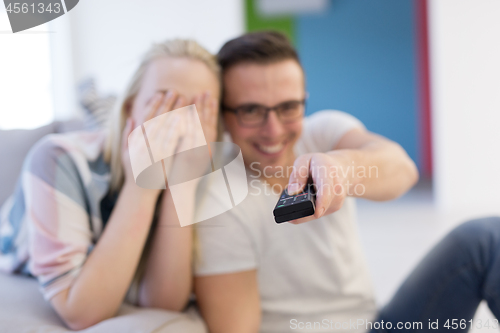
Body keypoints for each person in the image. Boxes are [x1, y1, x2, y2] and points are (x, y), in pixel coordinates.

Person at [193, 31, 500, 333]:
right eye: (251, 110)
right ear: (223, 114)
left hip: (374, 325)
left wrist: (341, 168)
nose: (273, 130)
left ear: (304, 101)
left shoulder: (323, 134)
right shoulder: (218, 201)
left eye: (288, 107)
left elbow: (403, 170)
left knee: (486, 238)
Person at [0, 39, 220, 330]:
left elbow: (162, 303)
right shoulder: (57, 157)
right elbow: (80, 311)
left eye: (197, 109)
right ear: (130, 107)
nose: (178, 122)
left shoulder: (198, 163)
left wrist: (182, 186)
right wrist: (141, 184)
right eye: (164, 101)